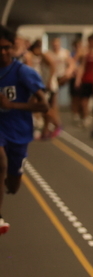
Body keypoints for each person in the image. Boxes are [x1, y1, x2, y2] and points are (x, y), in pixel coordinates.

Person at [0, 26, 50, 234]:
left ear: (12, 48)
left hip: (19, 131)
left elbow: (44, 106)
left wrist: (12, 106)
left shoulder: (23, 72)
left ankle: (10, 179)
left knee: (13, 184)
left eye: (6, 48)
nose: (2, 52)